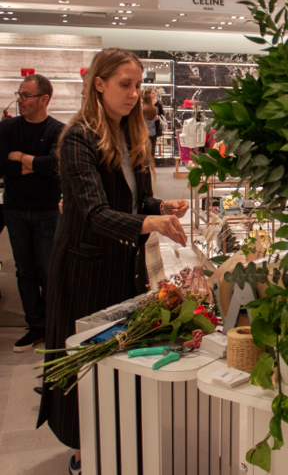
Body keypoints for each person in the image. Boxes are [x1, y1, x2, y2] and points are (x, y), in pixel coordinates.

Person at [37, 48, 189, 475]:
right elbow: (92, 213)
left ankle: (116, 436)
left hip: (123, 267)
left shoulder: (134, 133)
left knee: (118, 356)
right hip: (84, 268)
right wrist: (153, 222)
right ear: (98, 84)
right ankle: (85, 451)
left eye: (138, 86)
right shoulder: (78, 137)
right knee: (84, 361)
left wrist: (163, 205)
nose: (133, 94)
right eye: (125, 84)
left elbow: (137, 201)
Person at [0, 74, 64, 352]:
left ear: (44, 99)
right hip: (14, 209)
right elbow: (1, 165)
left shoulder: (57, 130)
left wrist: (22, 158)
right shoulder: (8, 127)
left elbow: (54, 166)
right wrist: (34, 165)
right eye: (19, 94)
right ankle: (35, 326)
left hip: (47, 211)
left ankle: (53, 326)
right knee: (24, 271)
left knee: (49, 272)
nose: (20, 100)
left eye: (25, 95)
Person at [142, 87, 164, 159]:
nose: (154, 95)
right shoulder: (155, 108)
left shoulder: (142, 109)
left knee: (145, 148)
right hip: (153, 131)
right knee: (152, 148)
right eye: (153, 93)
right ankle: (151, 162)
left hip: (145, 131)